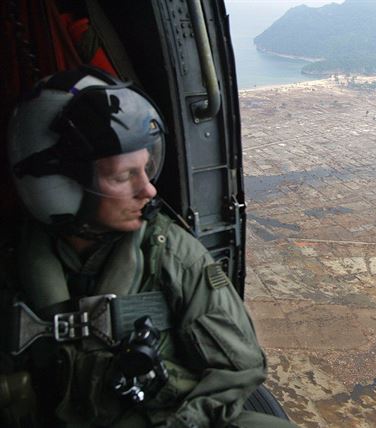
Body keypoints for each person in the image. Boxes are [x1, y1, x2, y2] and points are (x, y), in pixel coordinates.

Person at [1, 67, 297, 428]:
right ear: (58, 186)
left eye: (146, 168)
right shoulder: (14, 261)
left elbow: (239, 368)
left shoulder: (172, 253)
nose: (149, 190)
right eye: (123, 176)